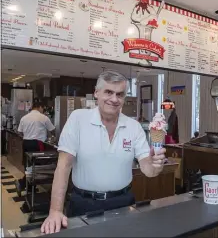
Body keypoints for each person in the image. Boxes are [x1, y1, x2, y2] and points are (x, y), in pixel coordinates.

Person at [41, 71, 166, 234]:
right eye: (108, 92)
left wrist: (156, 165)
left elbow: (148, 170)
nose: (114, 99)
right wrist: (55, 211)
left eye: (119, 94)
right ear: (96, 93)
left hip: (124, 203)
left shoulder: (133, 127)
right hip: (84, 204)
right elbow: (63, 167)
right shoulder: (78, 119)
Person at [14, 102, 55, 196]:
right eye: (43, 108)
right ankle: (21, 183)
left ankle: (30, 187)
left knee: (28, 165)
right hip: (37, 144)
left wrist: (28, 135)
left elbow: (19, 132)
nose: (43, 110)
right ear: (39, 107)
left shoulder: (24, 117)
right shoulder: (43, 117)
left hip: (26, 143)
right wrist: (53, 137)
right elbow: (52, 130)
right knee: (36, 167)